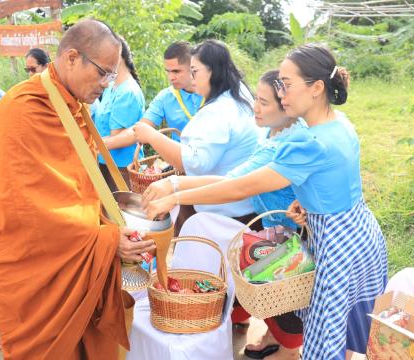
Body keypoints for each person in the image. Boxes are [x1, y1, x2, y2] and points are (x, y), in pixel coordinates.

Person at [144, 44, 388, 360]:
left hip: (337, 244)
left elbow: (240, 186)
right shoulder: (337, 123)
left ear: (316, 88)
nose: (282, 94)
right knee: (341, 327)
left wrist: (176, 195)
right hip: (359, 233)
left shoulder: (309, 142)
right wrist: (310, 204)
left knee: (326, 335)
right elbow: (336, 180)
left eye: (287, 85)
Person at [0, 19, 155, 360]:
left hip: (74, 246)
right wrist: (104, 240)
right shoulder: (24, 110)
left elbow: (78, 187)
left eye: (111, 75)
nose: (106, 84)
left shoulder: (71, 105)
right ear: (72, 57)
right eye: (103, 73)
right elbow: (27, 209)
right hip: (34, 262)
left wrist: (107, 225)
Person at [143, 69, 304, 359]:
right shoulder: (271, 132)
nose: (255, 107)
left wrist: (176, 189)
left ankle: (289, 349)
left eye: (265, 103)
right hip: (271, 225)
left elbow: (234, 185)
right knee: (238, 268)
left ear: (288, 106)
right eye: (256, 98)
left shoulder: (282, 145)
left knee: (276, 287)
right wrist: (173, 185)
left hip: (290, 235)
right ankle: (259, 330)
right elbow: (233, 179)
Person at [134, 39, 261, 234]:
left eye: (195, 71)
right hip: (242, 206)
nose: (192, 79)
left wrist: (152, 136)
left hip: (225, 213)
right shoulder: (238, 94)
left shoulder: (219, 110)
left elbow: (194, 162)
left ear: (214, 71)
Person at [93, 37, 145, 191]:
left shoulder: (127, 92)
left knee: (118, 213)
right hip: (106, 163)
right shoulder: (111, 87)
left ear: (118, 55)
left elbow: (117, 138)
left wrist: (89, 145)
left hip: (121, 169)